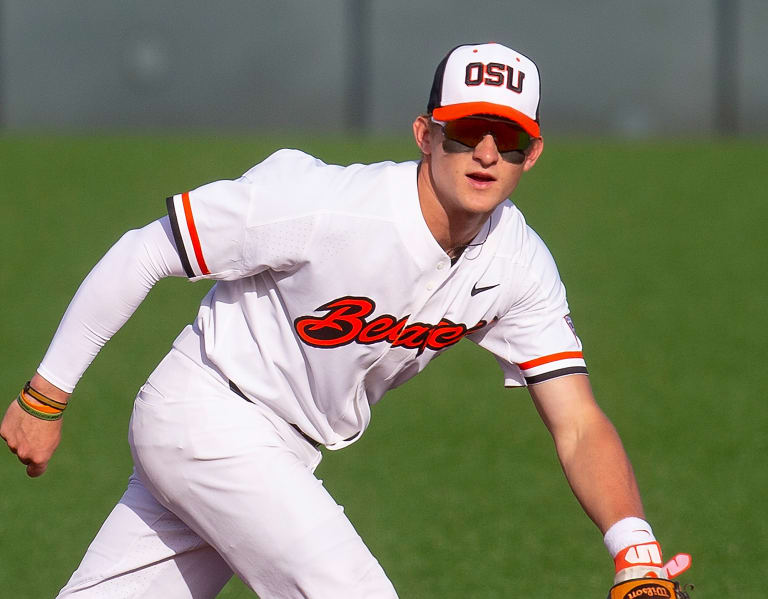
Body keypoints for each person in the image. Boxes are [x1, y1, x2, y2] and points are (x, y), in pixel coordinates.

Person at [1, 43, 687, 598]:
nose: (485, 153)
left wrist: (635, 549)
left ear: (530, 154)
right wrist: (46, 394)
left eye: (507, 138)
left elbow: (577, 421)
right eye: (466, 131)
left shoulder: (518, 262)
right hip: (208, 415)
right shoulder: (324, 205)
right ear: (426, 134)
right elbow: (149, 247)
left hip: (280, 452)